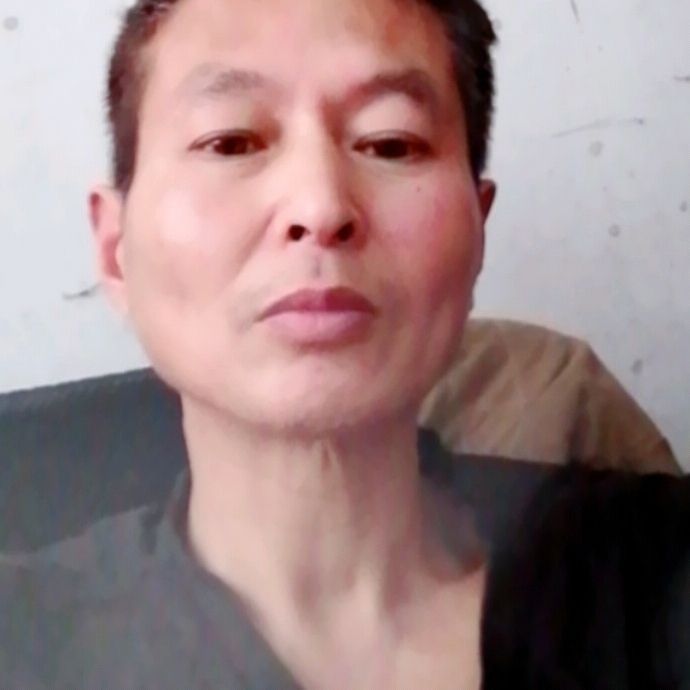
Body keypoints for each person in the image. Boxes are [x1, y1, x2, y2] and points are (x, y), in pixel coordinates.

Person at [0, 0, 688, 687]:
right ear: (116, 250)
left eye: (390, 144)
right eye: (231, 142)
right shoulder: (26, 636)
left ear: (477, 234)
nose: (321, 205)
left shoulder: (655, 581)